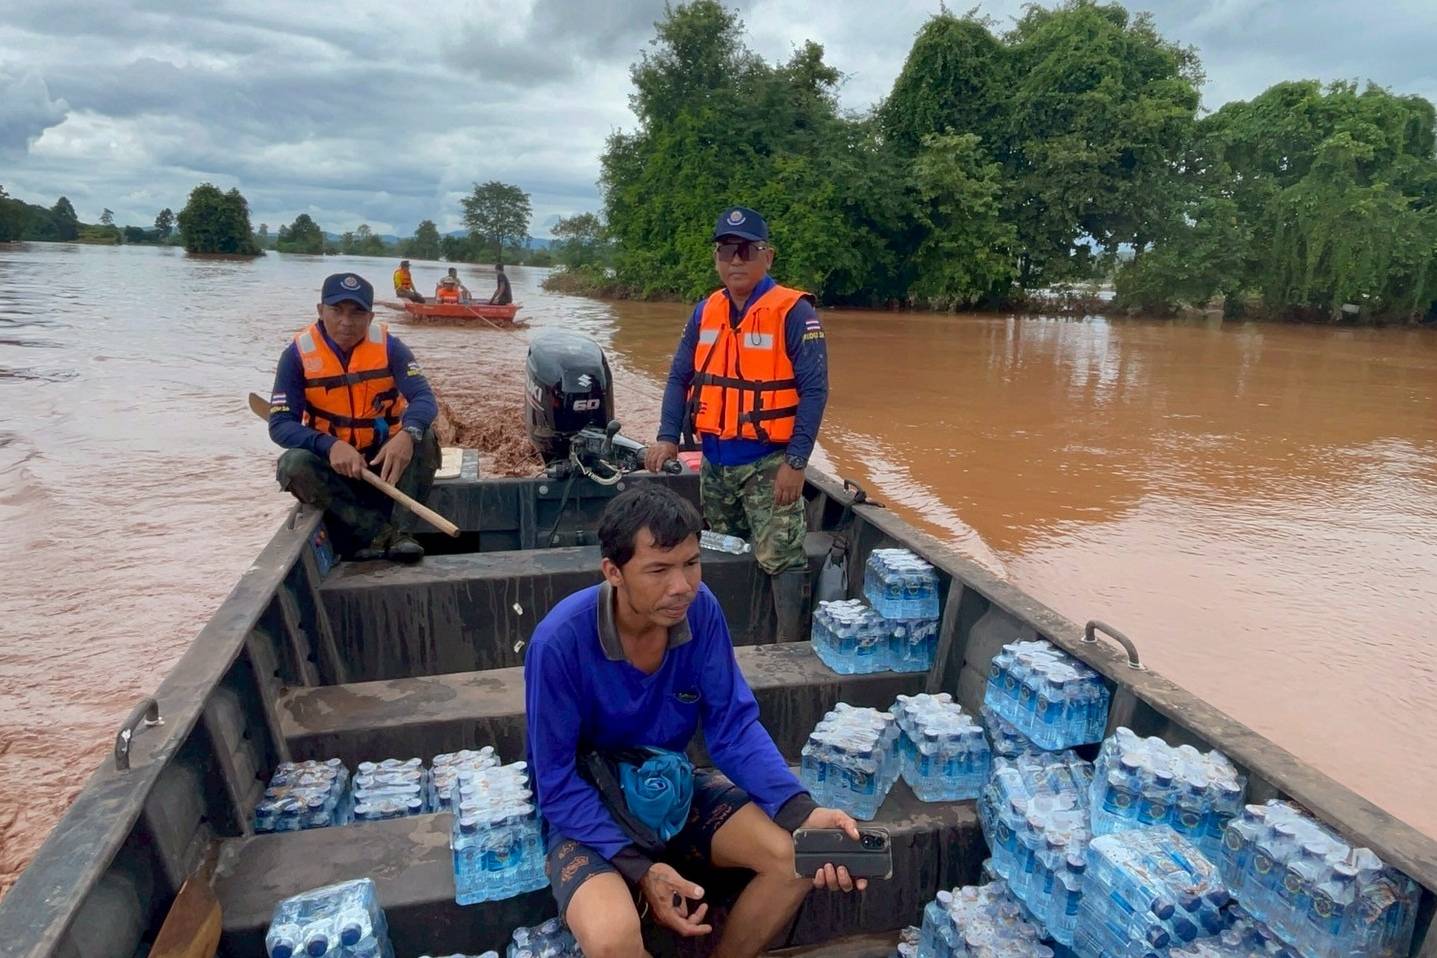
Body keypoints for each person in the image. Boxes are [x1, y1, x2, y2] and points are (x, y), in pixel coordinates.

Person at [525, 484, 865, 958]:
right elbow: (556, 781)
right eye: (659, 570)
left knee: (792, 860)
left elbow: (733, 728)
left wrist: (801, 812)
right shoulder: (559, 642)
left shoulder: (700, 611)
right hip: (590, 807)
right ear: (614, 572)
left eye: (691, 563)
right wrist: (640, 869)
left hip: (669, 787)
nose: (681, 585)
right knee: (612, 938)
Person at [643, 206, 828, 643]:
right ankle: (729, 639)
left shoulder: (795, 312)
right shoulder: (705, 311)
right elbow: (679, 376)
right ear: (716, 259)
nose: (736, 260)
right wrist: (668, 437)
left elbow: (815, 390)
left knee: (781, 557)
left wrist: (797, 462)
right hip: (715, 464)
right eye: (727, 250)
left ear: (768, 256)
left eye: (747, 250)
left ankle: (787, 646)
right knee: (722, 550)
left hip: (770, 463)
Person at [267, 272, 441, 563]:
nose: (346, 322)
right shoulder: (296, 356)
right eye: (337, 310)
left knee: (425, 437)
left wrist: (407, 434)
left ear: (370, 317)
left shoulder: (391, 348)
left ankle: (402, 532)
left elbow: (424, 398)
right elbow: (280, 425)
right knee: (293, 465)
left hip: (383, 462)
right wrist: (330, 445)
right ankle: (377, 533)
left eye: (357, 313)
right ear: (320, 310)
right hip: (334, 463)